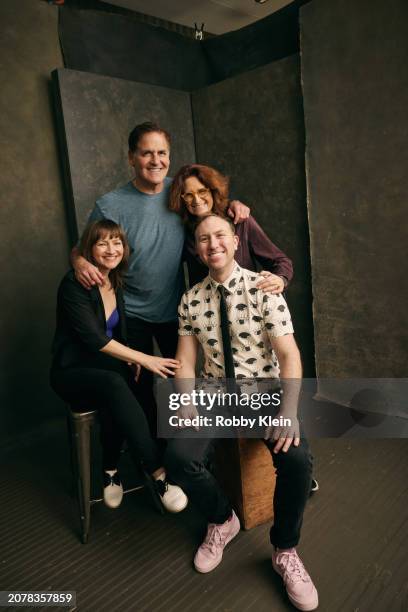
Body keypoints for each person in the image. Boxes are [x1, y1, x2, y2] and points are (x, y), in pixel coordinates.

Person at [165, 214, 318, 611]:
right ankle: (222, 519)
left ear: (235, 241)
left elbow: (289, 355)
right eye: (203, 239)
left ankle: (285, 551)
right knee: (179, 458)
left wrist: (287, 411)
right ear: (197, 249)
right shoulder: (190, 299)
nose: (212, 244)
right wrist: (185, 403)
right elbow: (184, 361)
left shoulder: (264, 288)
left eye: (220, 236)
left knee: (299, 460)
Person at [71, 123, 250, 442]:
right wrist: (79, 260)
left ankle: (191, 450)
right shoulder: (111, 204)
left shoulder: (179, 192)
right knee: (139, 388)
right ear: (131, 158)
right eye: (146, 153)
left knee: (185, 383)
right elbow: (83, 246)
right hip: (130, 314)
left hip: (175, 308)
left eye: (162, 153)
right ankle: (155, 458)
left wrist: (234, 206)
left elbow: (209, 207)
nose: (155, 160)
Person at [51, 219, 187, 513]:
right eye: (102, 242)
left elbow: (116, 333)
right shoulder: (74, 284)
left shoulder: (116, 281)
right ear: (89, 248)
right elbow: (94, 338)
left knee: (125, 384)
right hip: (70, 372)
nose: (111, 249)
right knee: (114, 383)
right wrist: (144, 357)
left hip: (101, 367)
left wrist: (128, 358)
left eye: (117, 242)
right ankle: (158, 474)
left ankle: (110, 469)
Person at [169, 163, 293, 292]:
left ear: (213, 191)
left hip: (246, 303)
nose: (196, 200)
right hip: (205, 307)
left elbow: (280, 261)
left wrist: (280, 279)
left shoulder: (239, 220)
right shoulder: (182, 231)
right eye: (189, 195)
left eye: (202, 191)